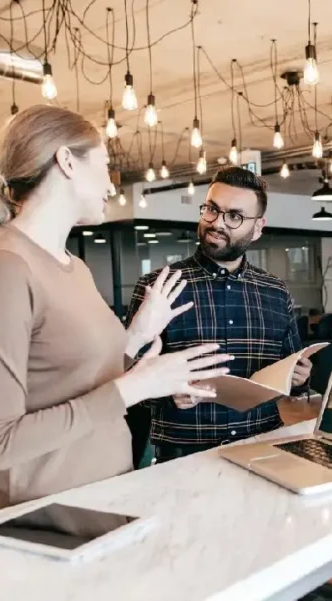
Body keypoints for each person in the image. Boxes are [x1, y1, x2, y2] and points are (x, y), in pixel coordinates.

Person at [0, 105, 230, 509]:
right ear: (66, 161)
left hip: (107, 494)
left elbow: (78, 379)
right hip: (53, 514)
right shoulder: (2, 266)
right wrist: (137, 387)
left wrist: (139, 336)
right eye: (105, 165)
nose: (112, 186)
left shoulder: (72, 265)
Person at [124, 167, 311, 463]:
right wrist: (168, 392)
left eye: (234, 216)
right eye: (211, 209)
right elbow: (128, 379)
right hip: (184, 456)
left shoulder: (276, 291)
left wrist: (299, 377)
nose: (217, 223)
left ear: (258, 227)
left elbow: (289, 370)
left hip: (262, 446)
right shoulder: (158, 287)